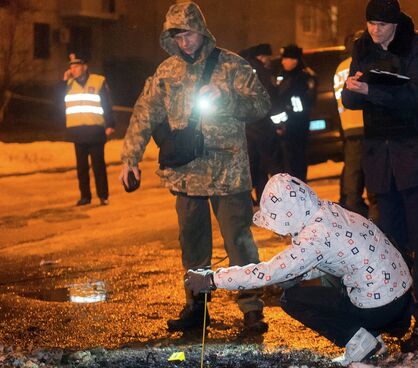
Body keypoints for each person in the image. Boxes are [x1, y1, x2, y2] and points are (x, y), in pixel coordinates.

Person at [119, 1, 271, 335]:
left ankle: (251, 308)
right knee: (193, 244)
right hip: (187, 174)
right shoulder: (166, 72)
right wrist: (129, 158)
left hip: (228, 173)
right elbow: (145, 113)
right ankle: (197, 306)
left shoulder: (232, 65)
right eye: (177, 36)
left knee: (238, 242)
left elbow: (261, 104)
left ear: (201, 30)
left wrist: (227, 96)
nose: (185, 42)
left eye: (188, 34)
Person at [185, 173, 413, 366]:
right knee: (324, 281)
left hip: (380, 306)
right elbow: (331, 259)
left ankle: (360, 341)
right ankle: (371, 337)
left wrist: (213, 279)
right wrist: (300, 272)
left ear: (286, 214)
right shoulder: (327, 211)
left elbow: (266, 272)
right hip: (400, 295)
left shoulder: (315, 236)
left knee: (292, 299)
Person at [341, 0, 418, 352]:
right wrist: (354, 91)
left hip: (416, 157)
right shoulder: (362, 47)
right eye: (371, 23)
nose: (375, 31)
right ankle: (396, 313)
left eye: (382, 25)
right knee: (389, 242)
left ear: (396, 24)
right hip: (380, 159)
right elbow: (350, 98)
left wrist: (374, 91)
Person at [63, 53, 115, 206]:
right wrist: (63, 80)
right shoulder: (68, 84)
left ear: (84, 67)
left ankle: (103, 195)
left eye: (77, 66)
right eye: (72, 67)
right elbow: (56, 100)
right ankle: (85, 196)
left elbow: (107, 103)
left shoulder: (98, 81)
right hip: (77, 131)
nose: (74, 69)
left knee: (98, 166)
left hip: (95, 130)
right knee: (82, 168)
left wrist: (110, 124)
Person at [334, 31, 377, 221]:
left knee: (353, 172)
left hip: (349, 126)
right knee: (374, 174)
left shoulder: (340, 68)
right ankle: (375, 213)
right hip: (369, 124)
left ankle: (353, 210)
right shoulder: (366, 64)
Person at [271, 44, 317, 182]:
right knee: (285, 165)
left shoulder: (302, 77)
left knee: (296, 164)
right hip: (284, 130)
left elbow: (299, 106)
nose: (283, 62)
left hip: (296, 129)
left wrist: (284, 121)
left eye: (286, 59)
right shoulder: (284, 75)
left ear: (295, 60)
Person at [239, 43, 278, 205]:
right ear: (262, 56)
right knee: (261, 165)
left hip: (241, 126)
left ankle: (246, 199)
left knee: (246, 165)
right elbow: (270, 96)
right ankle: (263, 198)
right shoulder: (261, 71)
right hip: (260, 125)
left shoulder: (237, 69)